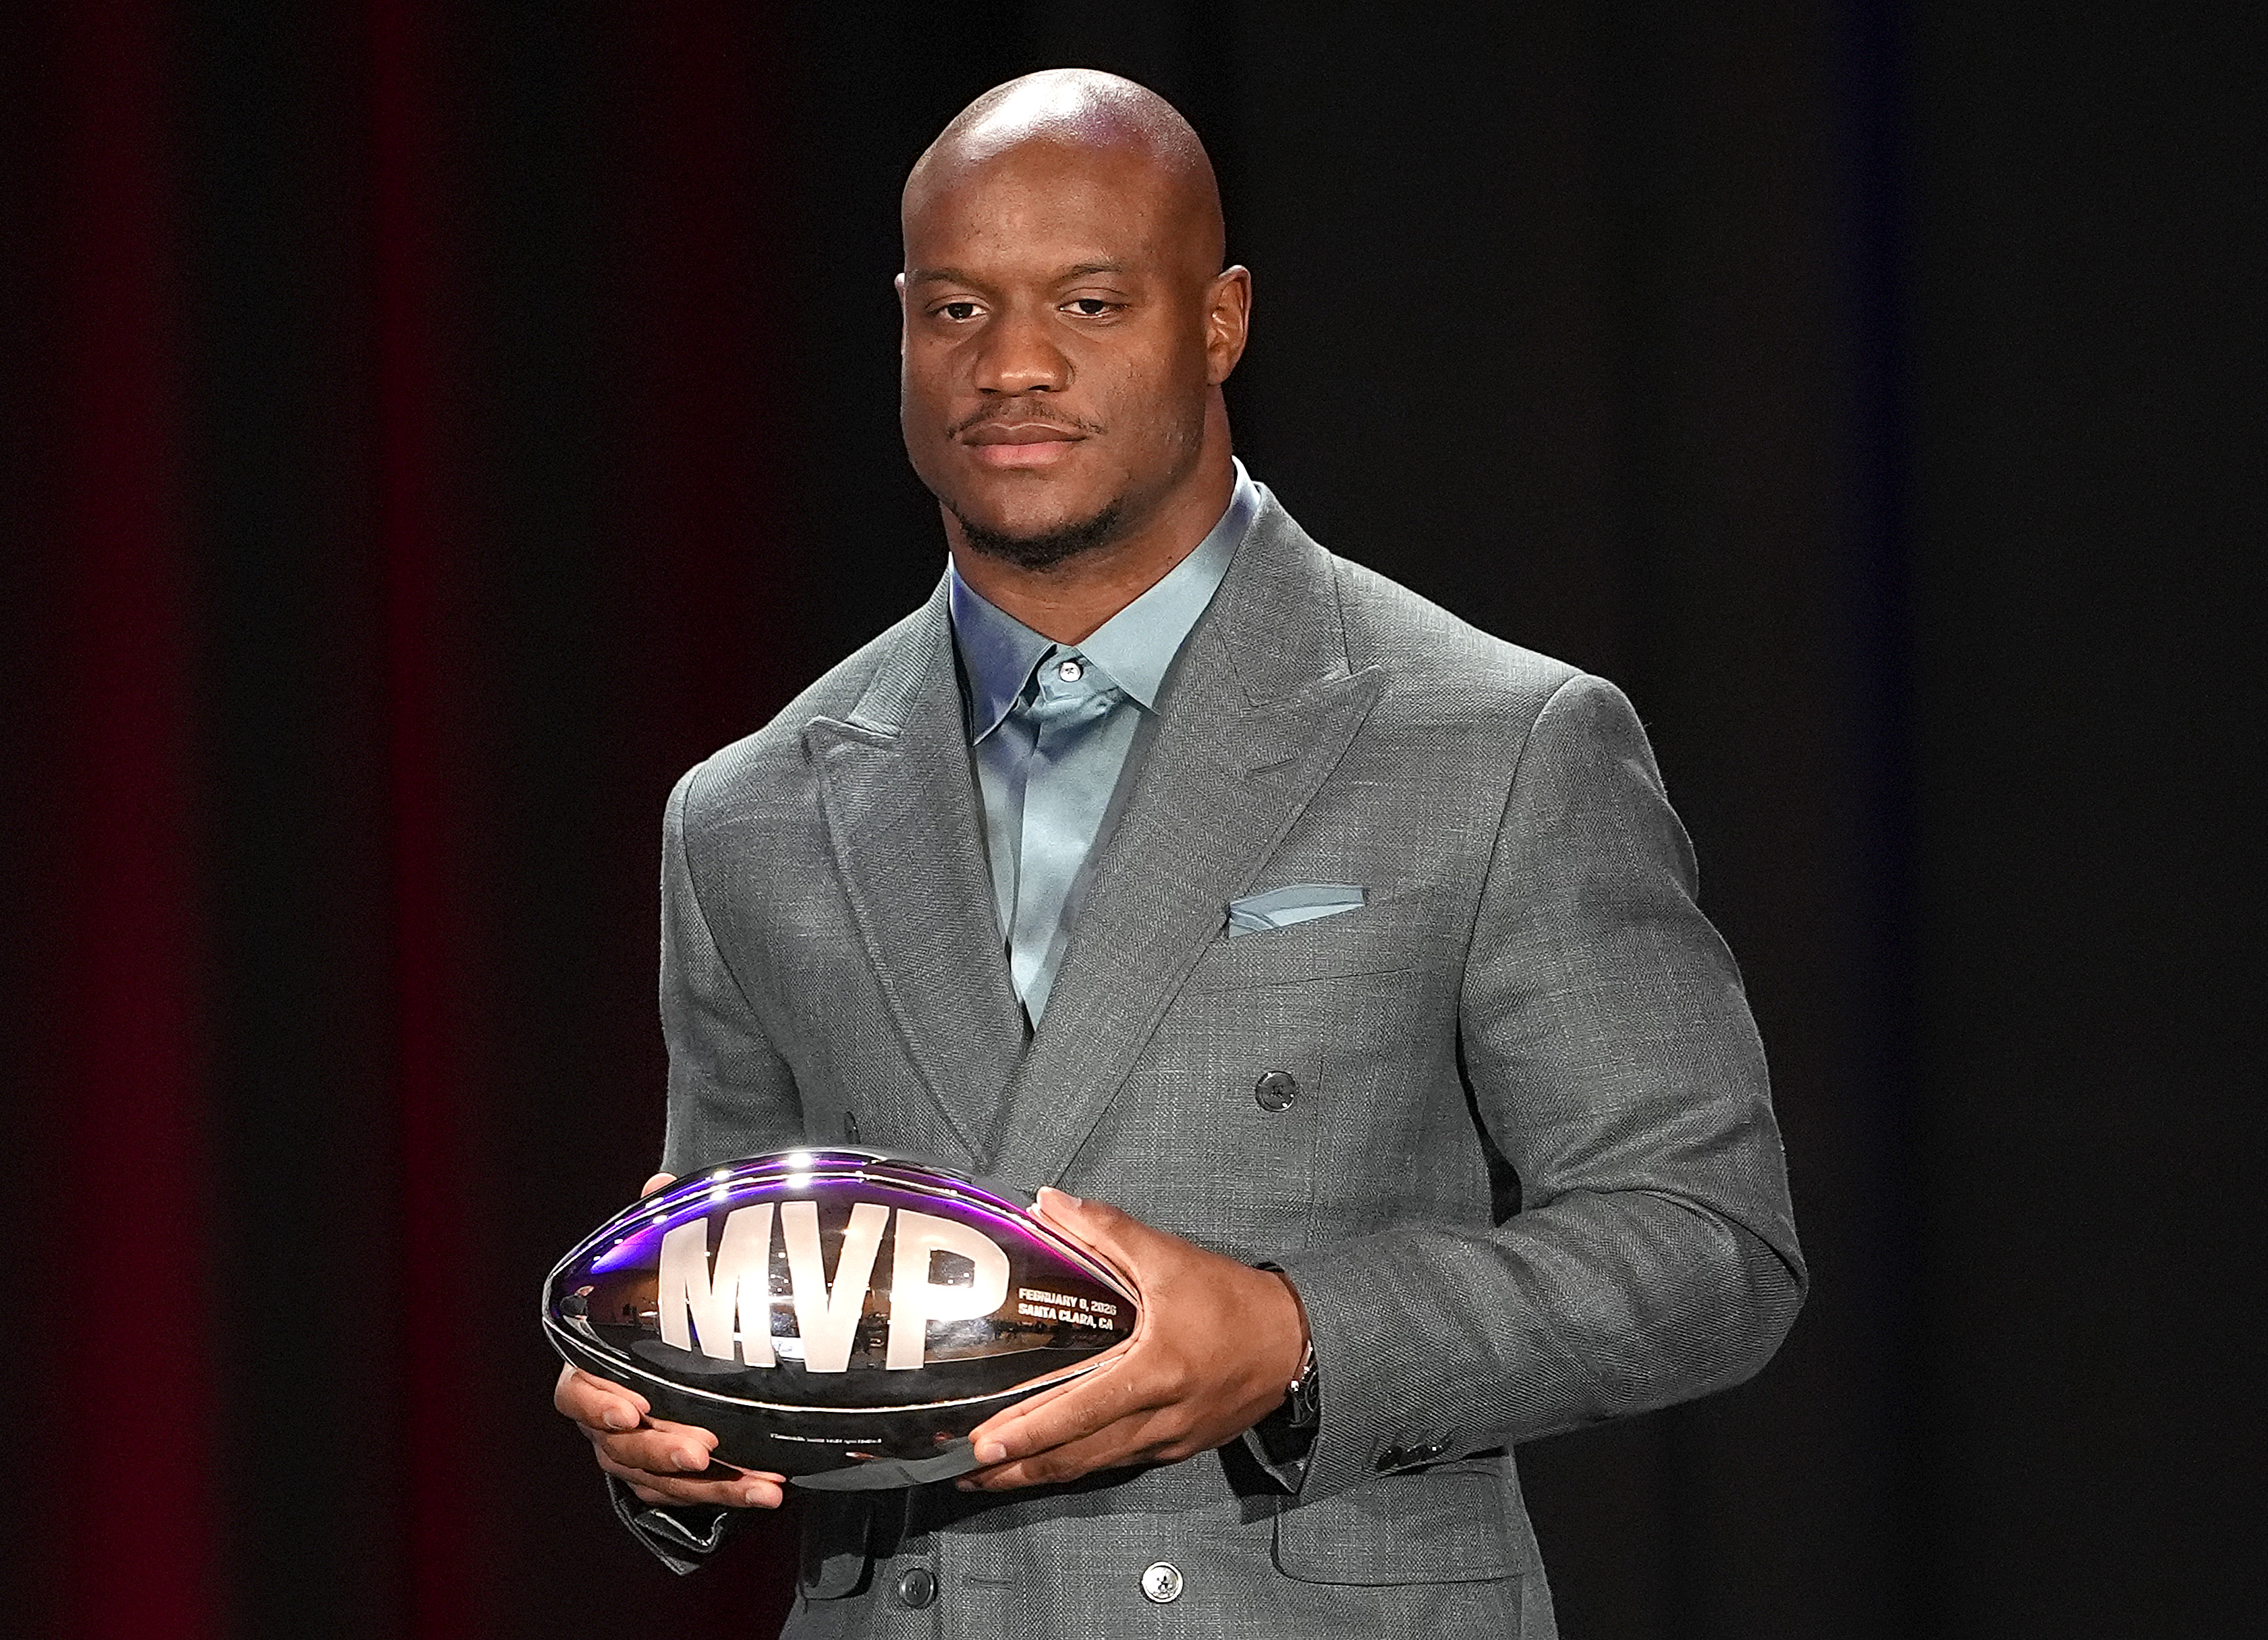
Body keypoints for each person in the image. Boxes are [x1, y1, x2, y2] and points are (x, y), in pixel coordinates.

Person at [553, 68, 1802, 1637]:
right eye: (954, 311)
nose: (1011, 365)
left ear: (1217, 324)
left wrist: (1291, 1336)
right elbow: (744, 1283)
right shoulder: (750, 810)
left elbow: (1707, 1247)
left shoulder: (1495, 738)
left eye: (1086, 302)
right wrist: (664, 1430)